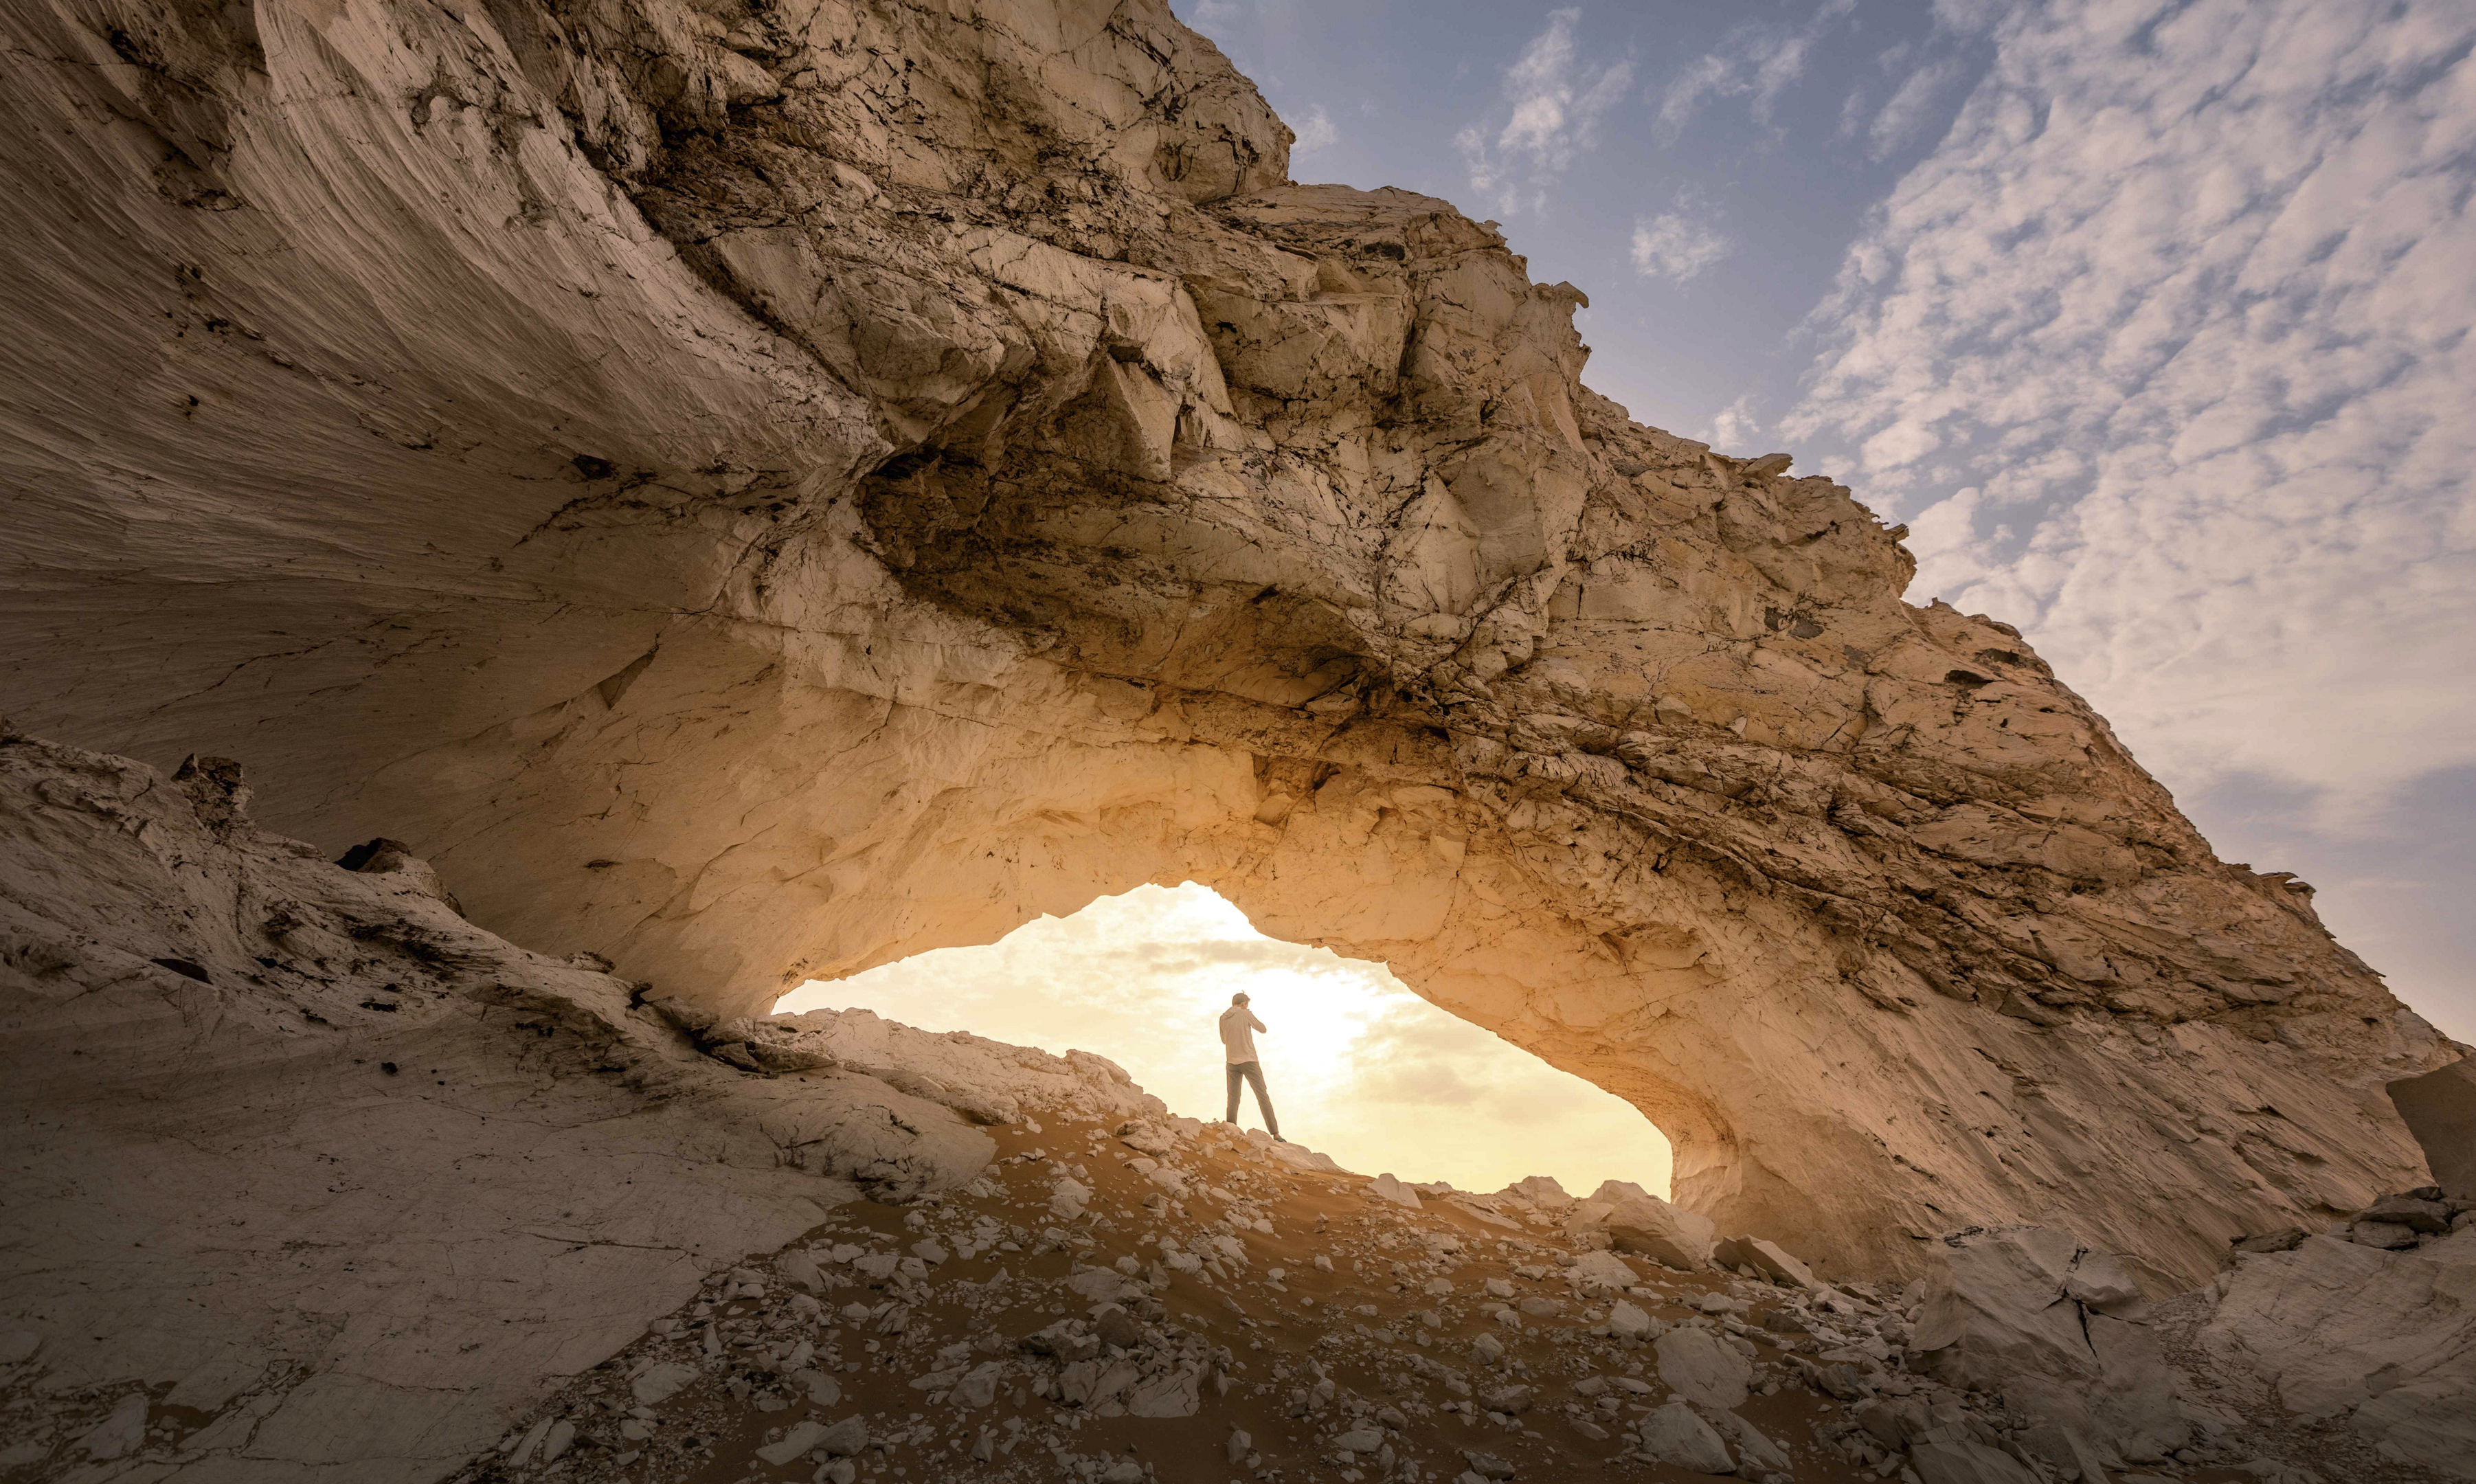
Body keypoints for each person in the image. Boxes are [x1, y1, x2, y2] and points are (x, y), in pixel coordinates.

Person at [1218, 991, 1279, 1139]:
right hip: (1249, 1060)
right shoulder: (1245, 1014)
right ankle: (1276, 1134)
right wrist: (1248, 1015)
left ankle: (1230, 1130)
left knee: (1233, 1097)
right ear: (1244, 1004)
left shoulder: (1223, 1018)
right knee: (1262, 1096)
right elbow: (1263, 1029)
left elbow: (1224, 1040)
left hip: (1231, 1061)